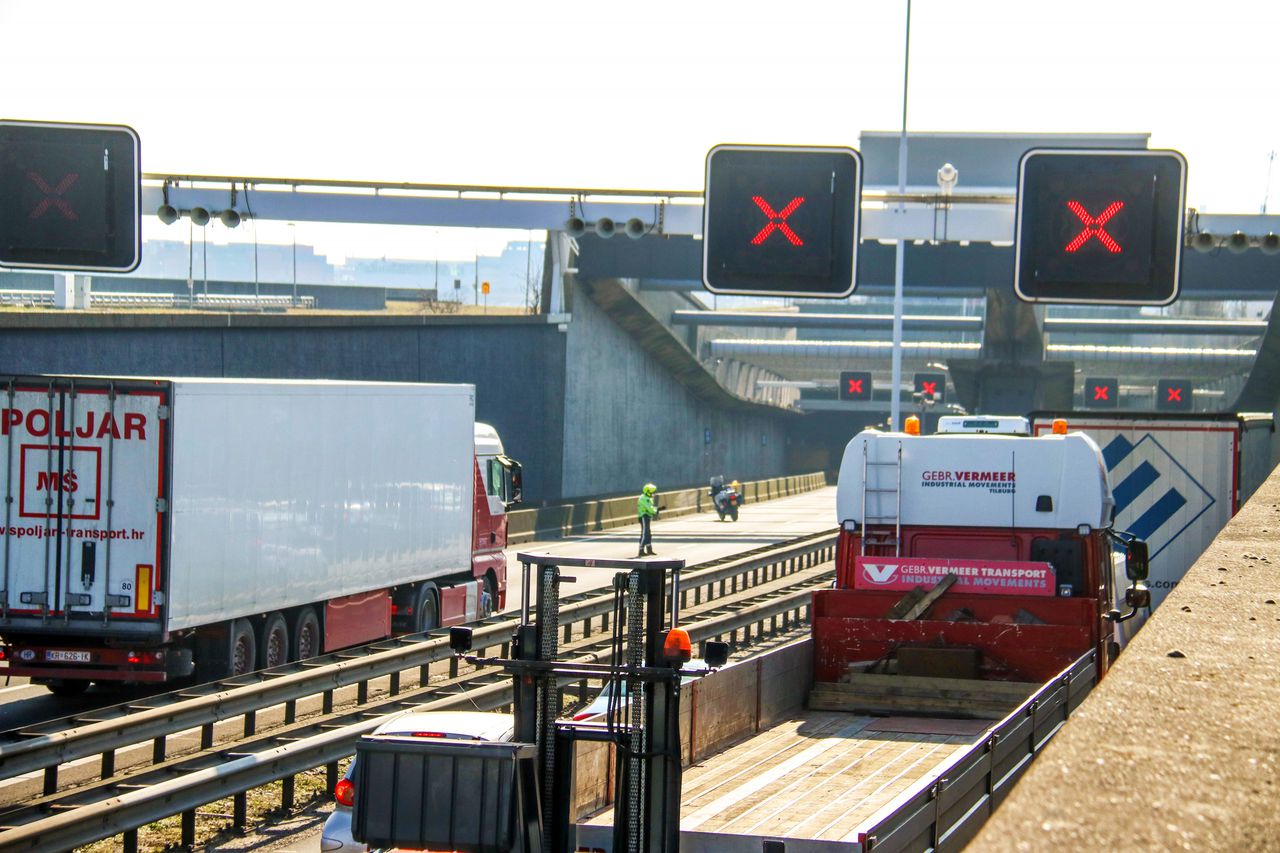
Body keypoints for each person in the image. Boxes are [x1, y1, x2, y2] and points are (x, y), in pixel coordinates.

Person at [637, 483, 658, 557]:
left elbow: (650, 507)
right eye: (651, 492)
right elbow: (649, 508)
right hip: (644, 516)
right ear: (647, 491)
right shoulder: (644, 498)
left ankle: (649, 550)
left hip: (647, 516)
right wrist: (655, 510)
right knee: (645, 533)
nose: (652, 493)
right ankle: (641, 550)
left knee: (648, 533)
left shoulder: (647, 498)